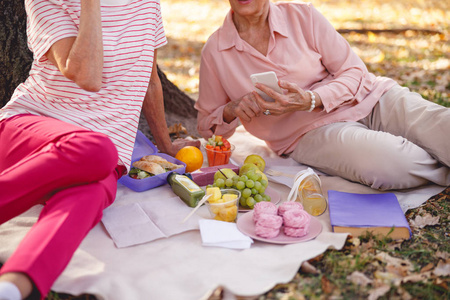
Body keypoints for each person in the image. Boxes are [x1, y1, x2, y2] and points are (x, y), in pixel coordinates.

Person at [0, 0, 199, 299]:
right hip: (31, 132)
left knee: (95, 192)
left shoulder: (147, 4)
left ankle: (14, 287)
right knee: (98, 150)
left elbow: (150, 79)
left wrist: (166, 146)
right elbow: (87, 76)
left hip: (100, 160)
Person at [195, 0, 449, 191]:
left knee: (440, 125)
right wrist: (232, 109)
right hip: (307, 134)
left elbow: (353, 70)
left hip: (369, 96)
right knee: (391, 163)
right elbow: (208, 127)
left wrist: (312, 99)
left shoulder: (302, 16)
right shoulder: (215, 51)